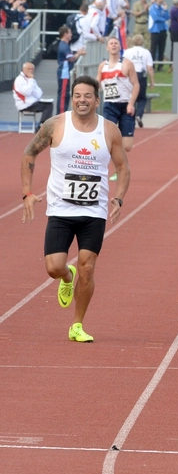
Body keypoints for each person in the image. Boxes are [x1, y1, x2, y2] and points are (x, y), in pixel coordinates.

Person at [20, 76, 131, 343]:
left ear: (96, 100)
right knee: (54, 267)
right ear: (72, 98)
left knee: (88, 268)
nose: (82, 100)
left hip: (94, 212)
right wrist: (27, 193)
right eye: (77, 95)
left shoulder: (109, 130)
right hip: (60, 209)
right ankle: (66, 277)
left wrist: (118, 198)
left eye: (87, 96)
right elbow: (29, 154)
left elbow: (123, 167)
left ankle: (77, 325)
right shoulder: (55, 125)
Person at [97, 37, 140, 153]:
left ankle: (119, 161)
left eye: (116, 43)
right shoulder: (102, 66)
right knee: (107, 141)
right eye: (111, 43)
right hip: (110, 105)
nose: (114, 45)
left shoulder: (127, 64)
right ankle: (115, 167)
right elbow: (96, 85)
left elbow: (136, 84)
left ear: (120, 47)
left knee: (127, 146)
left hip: (125, 105)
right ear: (107, 47)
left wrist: (131, 104)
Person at [123, 35, 154, 128]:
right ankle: (138, 115)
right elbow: (150, 68)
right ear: (143, 42)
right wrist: (152, 81)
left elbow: (123, 64)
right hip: (141, 75)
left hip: (129, 75)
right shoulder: (146, 52)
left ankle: (129, 117)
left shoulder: (128, 52)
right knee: (141, 97)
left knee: (130, 96)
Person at [55, 26, 85, 114]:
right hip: (64, 73)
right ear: (65, 34)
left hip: (65, 72)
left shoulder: (64, 45)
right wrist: (79, 53)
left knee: (66, 94)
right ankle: (61, 114)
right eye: (70, 32)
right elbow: (71, 58)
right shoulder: (64, 46)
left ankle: (62, 113)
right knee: (63, 94)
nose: (71, 34)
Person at [13, 62, 54, 128]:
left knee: (49, 104)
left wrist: (31, 86)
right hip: (24, 104)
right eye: (28, 69)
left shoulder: (31, 79)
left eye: (32, 69)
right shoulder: (19, 80)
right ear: (23, 69)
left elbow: (39, 93)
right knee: (48, 106)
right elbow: (27, 92)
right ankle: (42, 126)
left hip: (32, 102)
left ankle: (43, 124)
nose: (30, 71)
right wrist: (31, 81)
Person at [149, 0, 170, 64]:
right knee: (153, 48)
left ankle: (160, 65)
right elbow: (156, 18)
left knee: (162, 47)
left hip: (163, 29)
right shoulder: (152, 8)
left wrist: (165, 10)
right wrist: (163, 19)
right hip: (155, 30)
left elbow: (167, 17)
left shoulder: (163, 8)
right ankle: (152, 64)